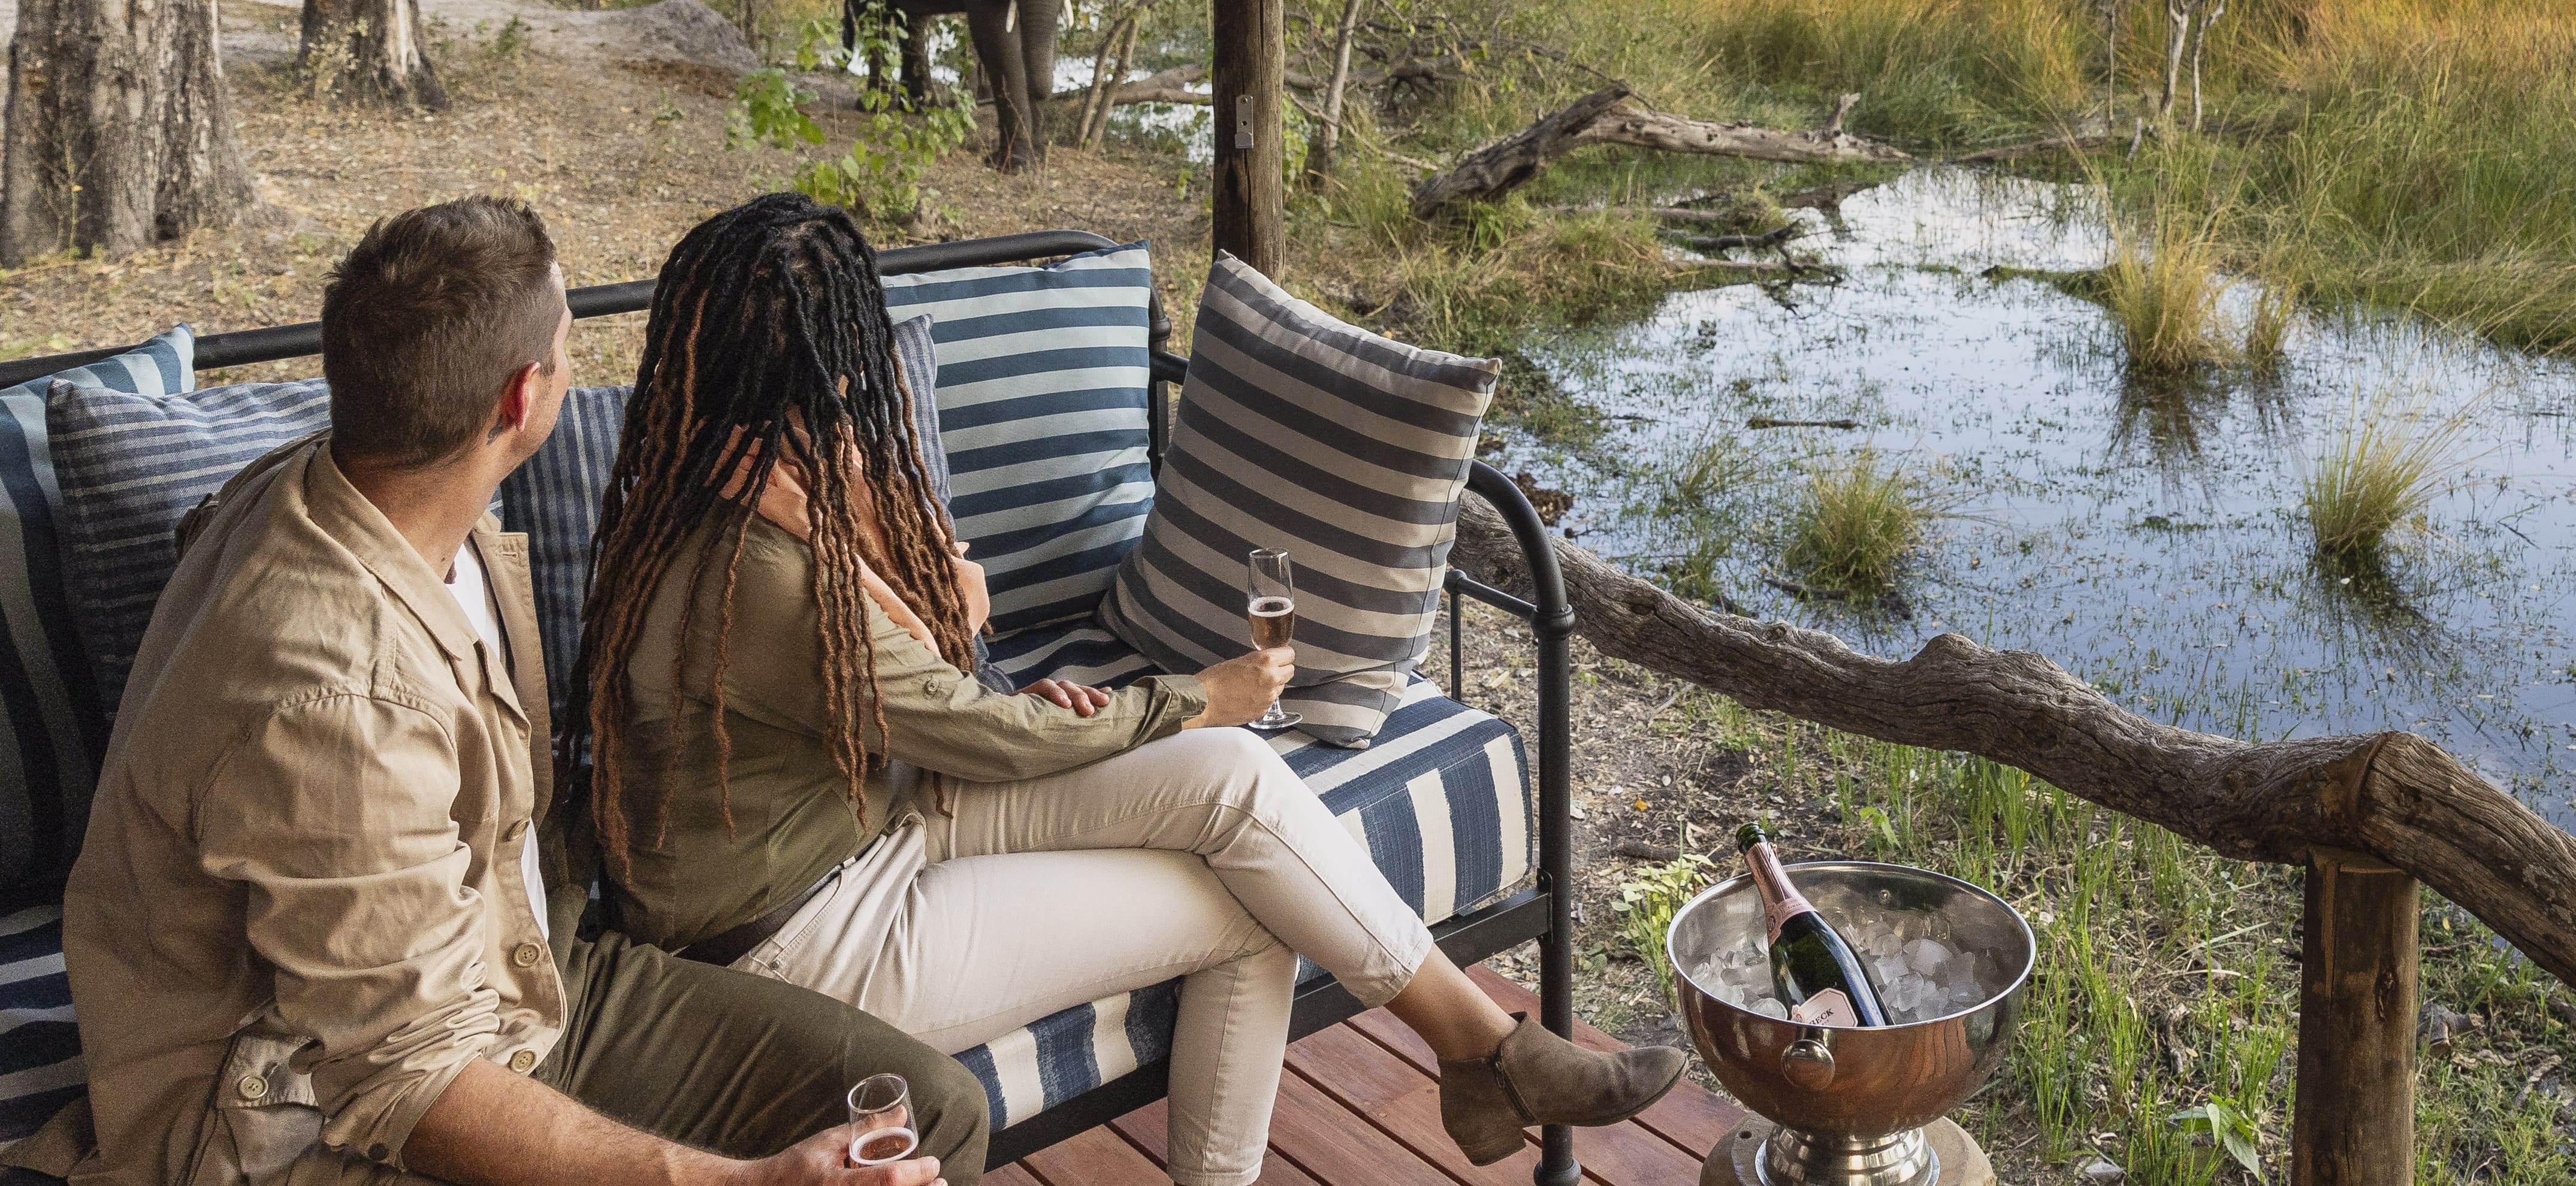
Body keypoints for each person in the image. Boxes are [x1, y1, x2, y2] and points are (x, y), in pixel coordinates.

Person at [581, 194, 1684, 1186]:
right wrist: (1189, 693)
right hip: (812, 924)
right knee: (1251, 905)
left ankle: (1490, 1051)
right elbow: (976, 729)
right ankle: (1493, 1054)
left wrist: (1009, 653)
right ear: (833, 361)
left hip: (886, 807)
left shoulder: (752, 478)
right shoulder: (750, 562)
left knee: (1236, 778)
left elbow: (923, 693)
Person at [4, 198, 983, 1186]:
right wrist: (744, 1182)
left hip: (527, 962)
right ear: (523, 399)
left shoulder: (357, 487)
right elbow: (408, 1082)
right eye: (567, 347)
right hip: (304, 1115)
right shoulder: (337, 706)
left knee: (929, 1108)